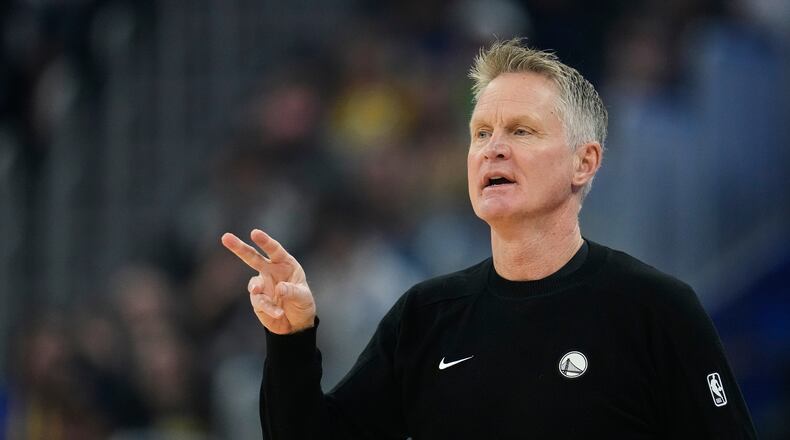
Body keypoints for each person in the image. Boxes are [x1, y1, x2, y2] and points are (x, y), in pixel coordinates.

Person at [221, 39, 757, 439]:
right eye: (481, 132)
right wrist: (291, 339)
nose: (492, 149)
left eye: (521, 131)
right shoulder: (424, 317)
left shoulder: (657, 310)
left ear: (584, 162)